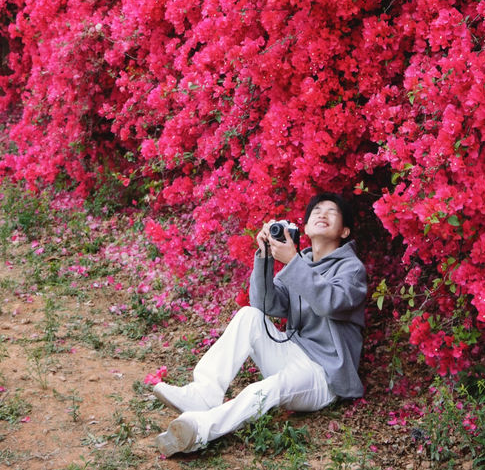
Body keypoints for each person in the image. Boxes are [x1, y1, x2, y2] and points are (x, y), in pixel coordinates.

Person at [153, 192, 368, 456]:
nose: (322, 213)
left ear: (344, 231)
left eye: (331, 211)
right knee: (249, 315)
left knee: (269, 387)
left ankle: (198, 429)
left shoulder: (351, 269)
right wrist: (265, 258)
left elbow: (330, 303)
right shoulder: (302, 261)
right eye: (316, 210)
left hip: (324, 374)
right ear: (306, 227)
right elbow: (266, 305)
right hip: (292, 353)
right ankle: (204, 393)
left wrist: (292, 262)